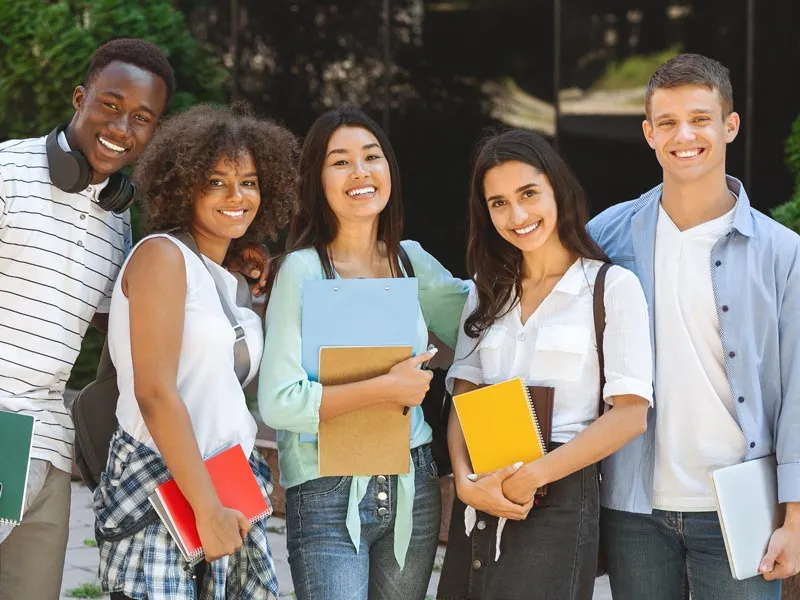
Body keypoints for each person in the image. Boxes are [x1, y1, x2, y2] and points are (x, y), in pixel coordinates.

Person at [587, 53, 800, 600]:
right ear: (649, 134)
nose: (685, 135)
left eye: (700, 119)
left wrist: (795, 519)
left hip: (741, 506)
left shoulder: (782, 252)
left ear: (729, 125)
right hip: (634, 507)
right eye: (668, 123)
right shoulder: (605, 235)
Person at [258, 106, 469, 600]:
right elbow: (279, 402)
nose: (360, 172)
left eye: (372, 157)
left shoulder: (409, 260)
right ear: (317, 179)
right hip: (327, 487)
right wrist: (388, 388)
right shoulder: (303, 272)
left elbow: (483, 320)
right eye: (340, 161)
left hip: (410, 483)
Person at [435, 128, 653, 600]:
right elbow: (464, 396)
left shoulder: (610, 287)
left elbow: (631, 414)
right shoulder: (485, 289)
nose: (517, 215)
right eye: (498, 203)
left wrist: (533, 476)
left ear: (558, 188)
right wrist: (465, 483)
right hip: (482, 486)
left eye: (528, 193)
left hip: (558, 493)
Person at [92, 103, 297, 600]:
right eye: (217, 181)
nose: (237, 196)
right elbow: (155, 394)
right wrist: (206, 508)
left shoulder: (226, 277)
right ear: (183, 186)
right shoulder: (162, 256)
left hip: (227, 488)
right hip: (166, 490)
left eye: (248, 181)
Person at [0, 38, 173, 600]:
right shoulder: (6, 169)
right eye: (110, 105)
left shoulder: (116, 220)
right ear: (80, 97)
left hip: (50, 445)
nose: (122, 127)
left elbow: (120, 327)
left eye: (142, 118)